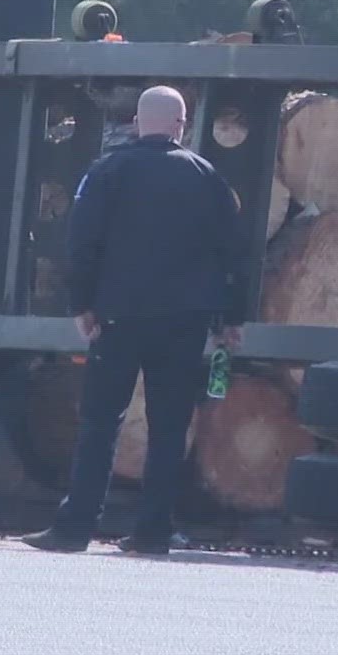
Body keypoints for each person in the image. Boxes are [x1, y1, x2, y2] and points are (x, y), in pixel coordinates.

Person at [22, 85, 246, 556]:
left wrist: (81, 304)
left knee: (101, 422)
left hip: (118, 318)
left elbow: (81, 242)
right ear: (181, 125)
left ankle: (74, 528)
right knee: (169, 427)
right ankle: (153, 531)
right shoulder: (207, 177)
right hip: (185, 321)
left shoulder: (108, 171)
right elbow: (234, 253)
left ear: (139, 122)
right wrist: (232, 317)